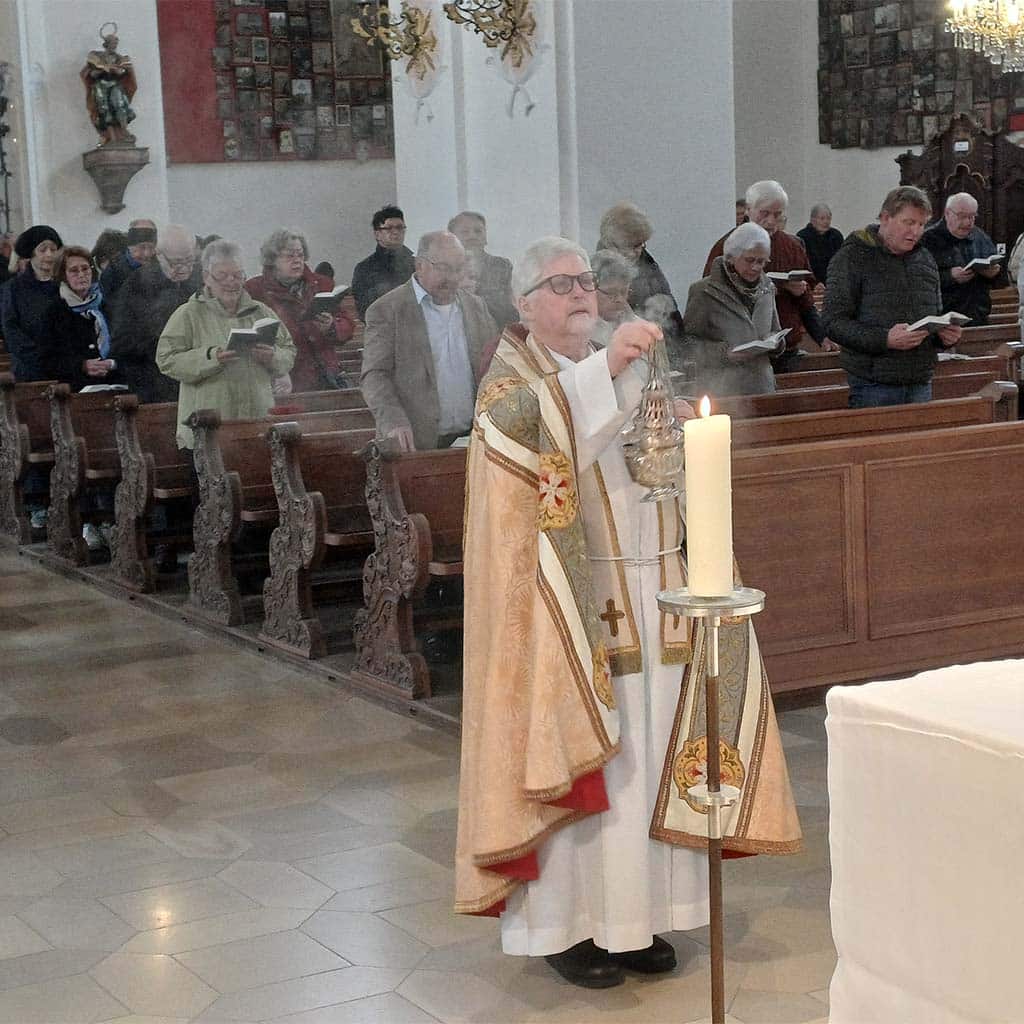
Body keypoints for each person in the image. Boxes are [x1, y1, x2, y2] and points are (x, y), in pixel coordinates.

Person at [455, 236, 801, 990]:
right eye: (561, 284)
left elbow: (655, 466)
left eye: (586, 281)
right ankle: (569, 927)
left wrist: (673, 422)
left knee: (646, 757)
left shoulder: (624, 358)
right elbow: (530, 445)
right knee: (592, 762)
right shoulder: (509, 380)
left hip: (653, 591)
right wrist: (608, 373)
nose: (581, 293)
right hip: (571, 613)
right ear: (525, 304)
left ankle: (637, 921)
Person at [823, 185, 962, 408]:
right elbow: (833, 322)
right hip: (873, 384)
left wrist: (943, 336)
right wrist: (885, 339)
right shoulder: (852, 256)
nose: (915, 232)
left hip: (920, 379)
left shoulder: (925, 259)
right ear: (886, 217)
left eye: (921, 224)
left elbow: (932, 315)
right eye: (908, 222)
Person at [360, 230, 497, 450]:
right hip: (415, 443)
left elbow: (493, 367)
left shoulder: (476, 307)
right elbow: (374, 376)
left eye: (458, 268)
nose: (452, 277)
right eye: (443, 268)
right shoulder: (387, 310)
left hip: (473, 440)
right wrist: (393, 421)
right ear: (419, 265)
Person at [155, 240, 296, 450]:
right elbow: (166, 359)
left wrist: (273, 357)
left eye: (238, 275)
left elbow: (289, 351)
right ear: (206, 277)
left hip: (256, 423)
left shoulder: (262, 312)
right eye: (222, 275)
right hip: (208, 428)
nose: (231, 282)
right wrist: (212, 357)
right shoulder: (188, 314)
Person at [704, 181, 837, 370]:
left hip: (785, 350)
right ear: (749, 211)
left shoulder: (792, 246)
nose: (771, 221)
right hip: (739, 355)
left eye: (777, 214)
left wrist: (821, 335)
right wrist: (775, 287)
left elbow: (806, 301)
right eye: (764, 213)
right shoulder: (728, 246)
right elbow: (712, 298)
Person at [246, 229, 355, 392]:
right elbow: (252, 339)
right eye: (290, 256)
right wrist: (276, 368)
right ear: (273, 259)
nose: (297, 261)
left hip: (325, 374)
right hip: (285, 378)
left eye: (300, 255)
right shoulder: (255, 290)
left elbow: (347, 326)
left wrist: (332, 326)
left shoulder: (321, 284)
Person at [681, 222, 784, 396]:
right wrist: (725, 353)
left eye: (761, 261)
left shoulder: (767, 287)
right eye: (750, 260)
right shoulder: (704, 291)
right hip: (723, 390)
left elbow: (776, 330)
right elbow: (688, 344)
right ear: (732, 256)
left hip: (762, 387)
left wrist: (775, 342)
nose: (756, 267)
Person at [108, 224, 200, 403]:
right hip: (154, 386)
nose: (183, 268)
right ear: (159, 255)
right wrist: (162, 339)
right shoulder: (136, 286)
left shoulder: (201, 279)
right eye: (175, 262)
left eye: (189, 260)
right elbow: (121, 344)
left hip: (197, 382)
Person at [597, 201, 685, 357]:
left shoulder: (649, 265)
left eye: (641, 245)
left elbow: (671, 313)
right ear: (613, 243)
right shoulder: (599, 273)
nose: (638, 251)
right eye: (633, 246)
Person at [40, 245, 118, 393]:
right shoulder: (54, 311)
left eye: (85, 269)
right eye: (74, 271)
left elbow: (123, 347)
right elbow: (47, 362)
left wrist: (112, 363)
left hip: (112, 386)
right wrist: (82, 365)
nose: (81, 275)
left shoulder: (105, 306)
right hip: (74, 391)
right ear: (63, 275)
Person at [921, 192, 1002, 325]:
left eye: (972, 217)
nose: (967, 222)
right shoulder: (927, 240)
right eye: (962, 216)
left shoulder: (980, 237)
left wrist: (994, 274)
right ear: (947, 214)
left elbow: (1001, 279)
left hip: (977, 316)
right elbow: (919, 280)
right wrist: (949, 276)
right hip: (942, 320)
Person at [1, 225, 63, 381]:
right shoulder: (14, 288)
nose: (49, 255)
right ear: (31, 254)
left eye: (53, 249)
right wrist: (39, 357)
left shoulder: (64, 285)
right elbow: (10, 328)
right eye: (43, 250)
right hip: (29, 370)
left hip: (64, 368)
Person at [448, 210, 519, 328]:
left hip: (498, 333)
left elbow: (512, 308)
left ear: (485, 237)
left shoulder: (501, 266)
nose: (472, 236)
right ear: (451, 238)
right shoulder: (443, 269)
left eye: (478, 231)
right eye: (465, 232)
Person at [350, 205, 415, 320]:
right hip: (382, 329)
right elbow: (364, 309)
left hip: (415, 327)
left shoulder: (417, 264)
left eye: (400, 227)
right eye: (389, 228)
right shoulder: (365, 268)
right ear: (377, 234)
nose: (395, 232)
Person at [80, 26, 137, 146]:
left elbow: (124, 71)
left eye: (116, 43)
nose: (115, 45)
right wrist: (102, 70)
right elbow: (91, 73)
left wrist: (117, 71)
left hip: (115, 84)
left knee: (119, 104)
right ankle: (110, 136)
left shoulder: (120, 58)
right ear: (106, 44)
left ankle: (124, 130)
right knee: (104, 108)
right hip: (101, 85)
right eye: (112, 43)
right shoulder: (96, 57)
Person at [99, 218, 157, 304]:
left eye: (151, 247)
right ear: (130, 246)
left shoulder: (161, 266)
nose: (147, 253)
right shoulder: (112, 273)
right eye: (142, 247)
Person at [590, 248, 638, 347]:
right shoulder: (578, 334)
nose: (620, 299)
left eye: (624, 292)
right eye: (611, 293)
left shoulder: (642, 330)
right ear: (590, 289)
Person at [796, 203, 844, 285]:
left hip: (832, 282)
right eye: (822, 218)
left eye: (828, 218)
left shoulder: (836, 236)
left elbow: (841, 261)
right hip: (809, 282)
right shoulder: (802, 237)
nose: (826, 222)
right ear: (812, 220)